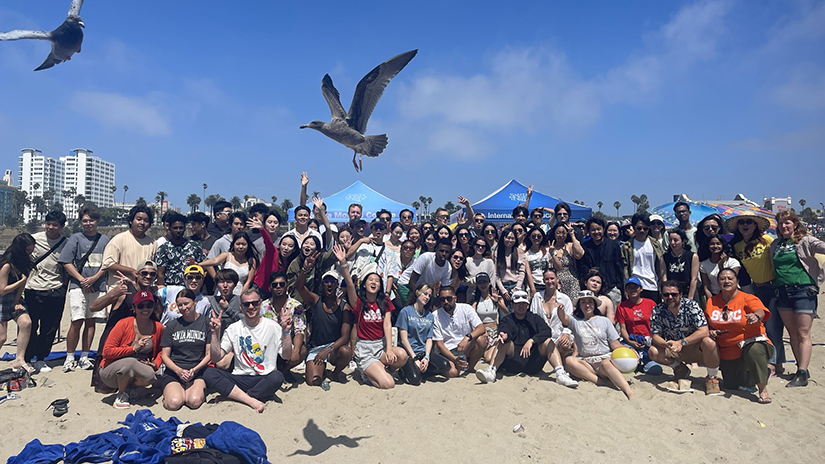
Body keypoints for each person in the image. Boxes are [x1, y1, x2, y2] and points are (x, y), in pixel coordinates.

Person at [204, 288, 293, 412]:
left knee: (277, 377)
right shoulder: (233, 328)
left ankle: (239, 397)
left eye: (254, 303)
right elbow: (216, 357)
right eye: (246, 304)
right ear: (241, 307)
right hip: (240, 377)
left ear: (260, 304)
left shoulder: (273, 327)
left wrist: (286, 331)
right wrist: (214, 333)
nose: (251, 307)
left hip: (265, 377)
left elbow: (287, 356)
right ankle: (251, 399)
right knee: (209, 374)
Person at [476, 289, 578, 387]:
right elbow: (504, 329)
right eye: (518, 303)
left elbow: (547, 331)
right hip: (512, 362)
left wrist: (532, 340)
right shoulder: (507, 319)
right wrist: (505, 335)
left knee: (548, 341)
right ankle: (491, 371)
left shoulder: (535, 318)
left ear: (528, 305)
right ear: (512, 304)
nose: (521, 306)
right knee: (503, 341)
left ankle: (560, 373)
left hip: (533, 362)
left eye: (523, 303)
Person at [770, 210, 825, 387]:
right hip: (782, 291)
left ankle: (801, 373)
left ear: (795, 224)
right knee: (792, 333)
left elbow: (821, 247)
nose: (784, 226)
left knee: (803, 333)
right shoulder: (776, 244)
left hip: (803, 290)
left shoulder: (806, 240)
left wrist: (820, 275)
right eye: (781, 223)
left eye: (787, 222)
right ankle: (802, 367)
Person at [706, 269, 773, 403]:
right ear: (718, 283)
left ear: (737, 281)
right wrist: (710, 331)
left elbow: (760, 310)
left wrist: (756, 316)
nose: (727, 281)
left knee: (753, 350)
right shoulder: (711, 302)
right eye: (723, 279)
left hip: (752, 341)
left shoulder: (747, 298)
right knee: (731, 385)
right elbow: (706, 324)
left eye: (730, 278)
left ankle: (763, 389)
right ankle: (761, 370)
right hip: (728, 348)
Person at [728, 213, 781, 377]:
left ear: (755, 225)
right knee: (758, 327)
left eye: (749, 222)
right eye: (741, 222)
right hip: (751, 289)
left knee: (773, 327)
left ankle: (773, 363)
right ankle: (768, 360)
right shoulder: (736, 246)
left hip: (771, 286)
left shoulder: (767, 241)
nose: (745, 225)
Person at [58, 206, 110, 372]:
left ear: (97, 221)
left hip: (97, 285)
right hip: (77, 286)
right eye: (85, 220)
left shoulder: (105, 240)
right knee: (76, 321)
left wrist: (94, 279)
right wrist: (81, 280)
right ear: (81, 222)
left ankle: (85, 356)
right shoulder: (75, 238)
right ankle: (70, 356)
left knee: (91, 321)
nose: (88, 223)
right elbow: (66, 262)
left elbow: (107, 263)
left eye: (91, 220)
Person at [648, 281, 722, 396]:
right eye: (666, 294)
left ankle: (712, 378)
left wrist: (682, 342)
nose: (670, 297)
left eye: (674, 294)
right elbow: (655, 335)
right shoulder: (657, 310)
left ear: (681, 294)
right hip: (674, 348)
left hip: (695, 347)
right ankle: (679, 368)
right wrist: (667, 344)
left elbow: (704, 330)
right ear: (661, 295)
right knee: (653, 351)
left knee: (709, 342)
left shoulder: (691, 306)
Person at [557, 290, 634, 399]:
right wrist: (560, 310)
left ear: (594, 304)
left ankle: (628, 391)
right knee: (569, 360)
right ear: (579, 306)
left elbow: (615, 344)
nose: (587, 305)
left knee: (607, 364)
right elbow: (563, 318)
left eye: (590, 302)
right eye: (583, 302)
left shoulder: (604, 321)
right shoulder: (576, 321)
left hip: (603, 359)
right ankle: (599, 381)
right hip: (586, 362)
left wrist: (630, 350)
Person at [295, 246, 353, 386]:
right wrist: (305, 269)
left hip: (333, 348)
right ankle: (321, 369)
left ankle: (334, 373)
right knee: (313, 381)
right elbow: (299, 287)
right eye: (326, 282)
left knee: (346, 351)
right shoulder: (316, 301)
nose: (329, 285)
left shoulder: (344, 306)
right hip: (316, 348)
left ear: (337, 285)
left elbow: (345, 337)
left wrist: (328, 349)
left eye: (332, 282)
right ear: (322, 284)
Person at [100, 290, 165, 409]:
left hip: (139, 369)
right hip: (110, 371)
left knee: (149, 373)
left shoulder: (158, 327)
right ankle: (121, 394)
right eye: (141, 306)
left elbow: (162, 350)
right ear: (134, 308)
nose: (145, 309)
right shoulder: (123, 324)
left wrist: (156, 363)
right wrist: (133, 348)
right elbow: (107, 352)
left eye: (149, 305)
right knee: (132, 363)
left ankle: (130, 390)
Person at [24, 210, 68, 373]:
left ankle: (41, 359)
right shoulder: (34, 239)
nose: (50, 227)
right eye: (48, 223)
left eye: (54, 225)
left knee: (49, 327)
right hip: (32, 289)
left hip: (55, 289)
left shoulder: (66, 243)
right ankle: (27, 358)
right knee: (30, 326)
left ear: (62, 226)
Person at [349, 272, 408, 388]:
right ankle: (366, 374)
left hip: (381, 346)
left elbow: (387, 324)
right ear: (364, 284)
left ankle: (384, 370)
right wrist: (344, 264)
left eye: (377, 281)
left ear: (380, 286)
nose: (374, 282)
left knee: (402, 355)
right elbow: (350, 286)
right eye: (370, 279)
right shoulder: (359, 302)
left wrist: (389, 349)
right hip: (365, 349)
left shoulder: (384, 301)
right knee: (388, 384)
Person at [160, 289, 210, 410]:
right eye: (180, 305)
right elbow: (164, 356)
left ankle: (193, 390)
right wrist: (178, 371)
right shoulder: (172, 326)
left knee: (193, 401)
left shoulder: (206, 323)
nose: (183, 308)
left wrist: (194, 369)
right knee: (174, 403)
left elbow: (209, 354)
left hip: (197, 371)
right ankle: (168, 393)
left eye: (186, 303)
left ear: (194, 302)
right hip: (175, 371)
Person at [397, 284, 451, 385]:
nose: (426, 297)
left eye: (429, 295)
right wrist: (414, 358)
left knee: (446, 365)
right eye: (425, 294)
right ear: (417, 293)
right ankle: (407, 370)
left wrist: (426, 357)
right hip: (409, 353)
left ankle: (421, 369)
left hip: (423, 352)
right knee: (415, 381)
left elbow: (429, 338)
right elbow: (403, 339)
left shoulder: (429, 315)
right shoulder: (406, 311)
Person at [260, 272, 306, 381]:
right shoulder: (263, 306)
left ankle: (284, 371)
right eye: (275, 285)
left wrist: (296, 351)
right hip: (268, 344)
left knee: (302, 350)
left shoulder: (296, 306)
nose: (278, 287)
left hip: (287, 343)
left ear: (287, 286)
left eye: (281, 284)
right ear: (270, 288)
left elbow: (300, 330)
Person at [432, 286, 488, 377]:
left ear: (455, 298)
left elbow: (481, 327)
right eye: (442, 299)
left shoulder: (466, 308)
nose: (446, 302)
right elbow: (440, 344)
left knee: (482, 339)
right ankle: (449, 365)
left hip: (465, 346)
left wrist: (467, 337)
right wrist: (454, 358)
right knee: (453, 373)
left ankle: (470, 367)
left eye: (449, 298)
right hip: (448, 350)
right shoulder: (435, 316)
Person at [0, 233, 36, 373]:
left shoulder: (25, 261)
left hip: (14, 297)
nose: (30, 253)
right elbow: (2, 290)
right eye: (28, 250)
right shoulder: (6, 265)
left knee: (26, 322)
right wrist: (20, 282)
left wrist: (16, 301)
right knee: (2, 337)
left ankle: (19, 359)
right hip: (2, 298)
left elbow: (23, 282)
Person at [102, 205, 157, 286]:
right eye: (139, 219)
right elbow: (108, 264)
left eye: (146, 220)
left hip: (142, 291)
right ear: (131, 221)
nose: (142, 223)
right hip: (121, 289)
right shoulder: (118, 240)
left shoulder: (152, 243)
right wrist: (131, 271)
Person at [615, 277, 661, 375]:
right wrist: (630, 342)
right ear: (626, 290)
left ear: (641, 289)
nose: (633, 290)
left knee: (656, 370)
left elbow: (657, 325)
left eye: (635, 287)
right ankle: (637, 363)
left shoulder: (650, 303)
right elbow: (622, 328)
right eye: (629, 287)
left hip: (649, 341)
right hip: (631, 341)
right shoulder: (622, 306)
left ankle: (644, 363)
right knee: (622, 362)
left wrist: (652, 341)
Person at [577, 217, 624, 308]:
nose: (596, 232)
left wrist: (619, 286)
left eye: (599, 229)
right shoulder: (585, 246)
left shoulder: (613, 245)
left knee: (613, 317)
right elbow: (581, 265)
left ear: (603, 229)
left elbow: (619, 266)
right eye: (593, 230)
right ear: (589, 231)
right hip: (592, 289)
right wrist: (589, 271)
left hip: (611, 287)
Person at [530, 269, 575, 357]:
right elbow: (533, 318)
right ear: (543, 281)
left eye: (552, 278)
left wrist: (566, 334)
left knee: (565, 345)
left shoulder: (565, 299)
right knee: (546, 345)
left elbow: (570, 320)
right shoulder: (537, 297)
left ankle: (562, 360)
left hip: (559, 335)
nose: (549, 281)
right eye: (547, 279)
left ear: (557, 279)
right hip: (543, 337)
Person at [621, 213, 664, 303]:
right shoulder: (627, 246)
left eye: (645, 229)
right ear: (634, 227)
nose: (642, 231)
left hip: (653, 286)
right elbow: (625, 268)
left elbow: (661, 266)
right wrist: (626, 287)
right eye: (639, 228)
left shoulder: (655, 244)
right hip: (634, 287)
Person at [156, 212, 205, 287]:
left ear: (185, 229)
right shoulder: (163, 249)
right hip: (170, 289)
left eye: (181, 228)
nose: (178, 230)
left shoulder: (194, 246)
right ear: (170, 229)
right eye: (175, 228)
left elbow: (203, 268)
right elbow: (160, 273)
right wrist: (162, 291)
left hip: (190, 289)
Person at [699, 234, 740, 300]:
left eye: (718, 244)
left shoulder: (733, 262)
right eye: (712, 244)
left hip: (732, 295)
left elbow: (729, 280)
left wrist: (720, 265)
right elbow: (706, 286)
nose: (715, 246)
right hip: (714, 295)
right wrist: (711, 301)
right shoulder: (704, 264)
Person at [662, 228, 699, 301]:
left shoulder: (692, 256)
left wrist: (690, 297)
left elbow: (694, 279)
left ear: (683, 241)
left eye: (676, 240)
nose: (672, 243)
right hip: (671, 293)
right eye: (670, 240)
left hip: (687, 291)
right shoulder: (664, 257)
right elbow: (664, 279)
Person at [548, 223, 583, 299]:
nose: (561, 235)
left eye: (563, 232)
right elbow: (556, 268)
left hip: (573, 280)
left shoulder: (569, 245)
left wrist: (572, 235)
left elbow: (580, 254)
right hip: (557, 282)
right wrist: (552, 253)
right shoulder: (550, 247)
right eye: (558, 233)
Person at [495, 229, 525, 311]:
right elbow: (496, 274)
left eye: (513, 238)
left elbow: (522, 272)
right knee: (505, 313)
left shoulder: (520, 252)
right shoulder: (497, 252)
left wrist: (517, 288)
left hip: (517, 286)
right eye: (508, 238)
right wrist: (503, 291)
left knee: (518, 312)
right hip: (503, 287)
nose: (510, 240)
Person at [205, 269, 242, 337]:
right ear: (216, 284)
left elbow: (245, 321)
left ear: (235, 284)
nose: (225, 285)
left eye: (229, 282)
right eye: (221, 282)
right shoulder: (209, 300)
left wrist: (227, 308)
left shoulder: (241, 301)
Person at [524, 227, 550, 295]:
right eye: (533, 236)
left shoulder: (547, 251)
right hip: (533, 286)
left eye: (539, 236)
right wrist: (533, 289)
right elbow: (528, 273)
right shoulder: (525, 253)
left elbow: (556, 268)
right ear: (529, 237)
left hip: (548, 284)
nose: (536, 238)